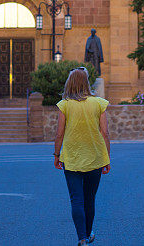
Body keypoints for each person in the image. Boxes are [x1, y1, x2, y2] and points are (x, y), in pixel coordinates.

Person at [54, 67, 111, 245]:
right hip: (95, 157)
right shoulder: (99, 103)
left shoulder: (64, 105)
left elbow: (59, 134)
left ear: (69, 84)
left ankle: (81, 238)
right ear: (86, 83)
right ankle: (87, 234)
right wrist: (107, 158)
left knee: (76, 200)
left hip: (71, 158)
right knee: (89, 199)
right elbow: (105, 132)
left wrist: (56, 155)